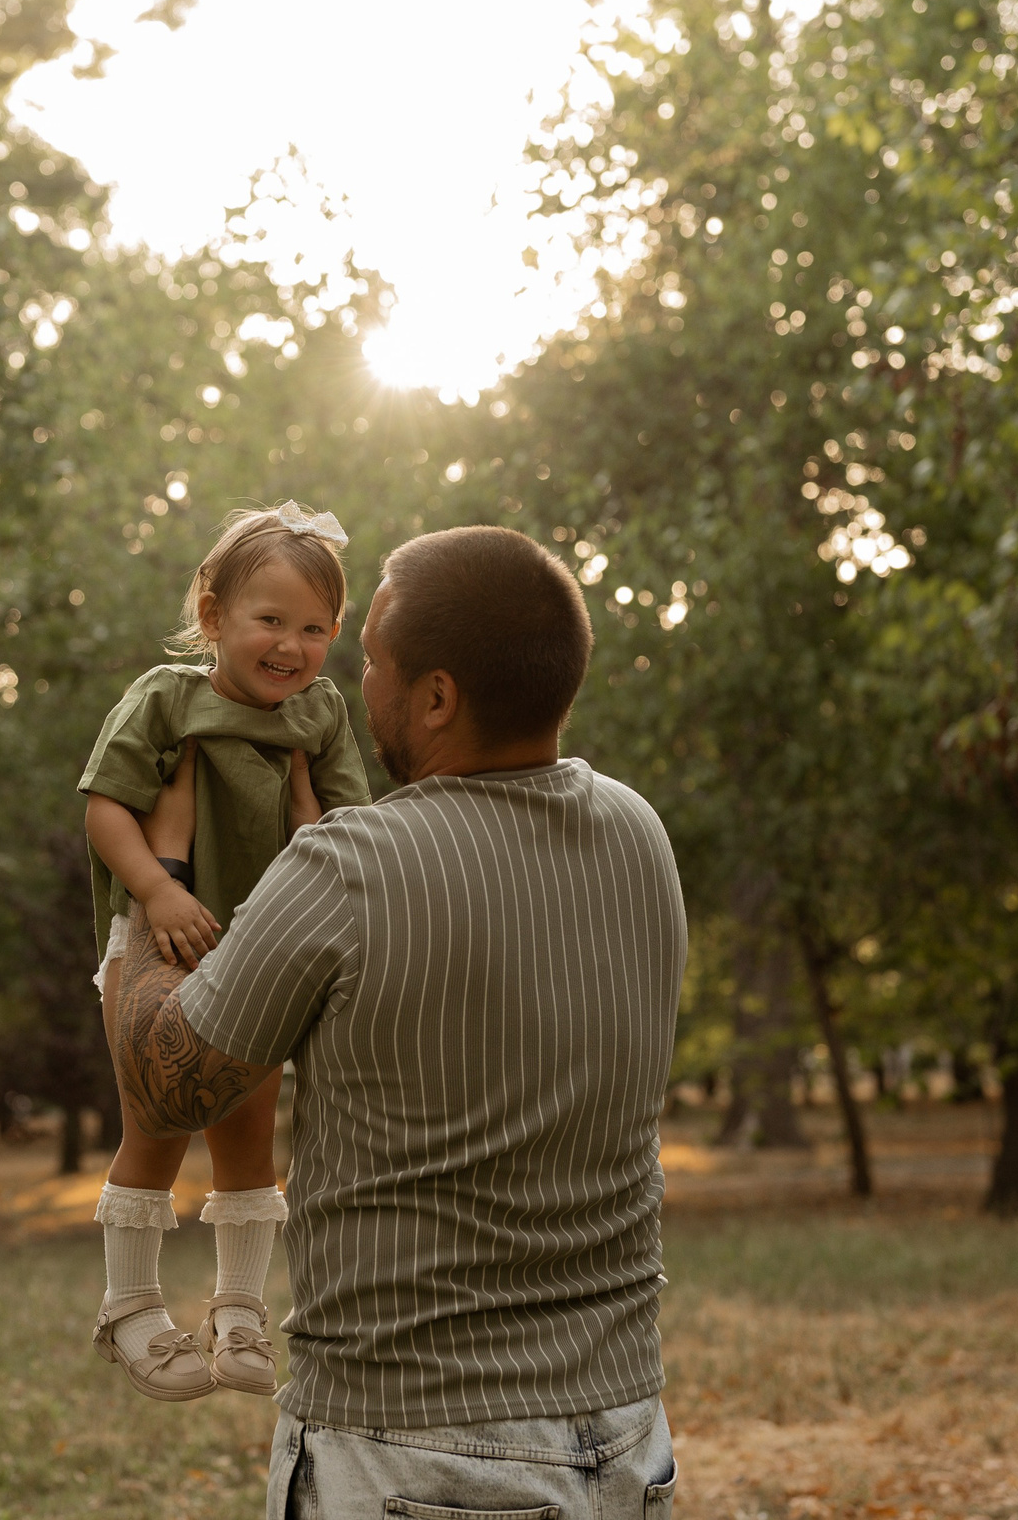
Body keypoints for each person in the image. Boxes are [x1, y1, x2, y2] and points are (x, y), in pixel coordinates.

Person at [105, 524, 688, 1516]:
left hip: (415, 1449)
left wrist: (155, 882)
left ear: (437, 695)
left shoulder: (348, 867)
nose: (343, 683)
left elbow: (170, 1082)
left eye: (369, 658)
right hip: (624, 1433)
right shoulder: (636, 827)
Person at [78, 500, 374, 1402]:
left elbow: (349, 825)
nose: (293, 645)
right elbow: (103, 807)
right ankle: (129, 1307)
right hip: (158, 939)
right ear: (213, 617)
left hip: (258, 953)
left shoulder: (319, 713)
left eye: (317, 627)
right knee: (158, 1123)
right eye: (271, 620)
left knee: (250, 1133)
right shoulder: (166, 698)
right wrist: (160, 888)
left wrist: (308, 820)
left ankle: (240, 1311)